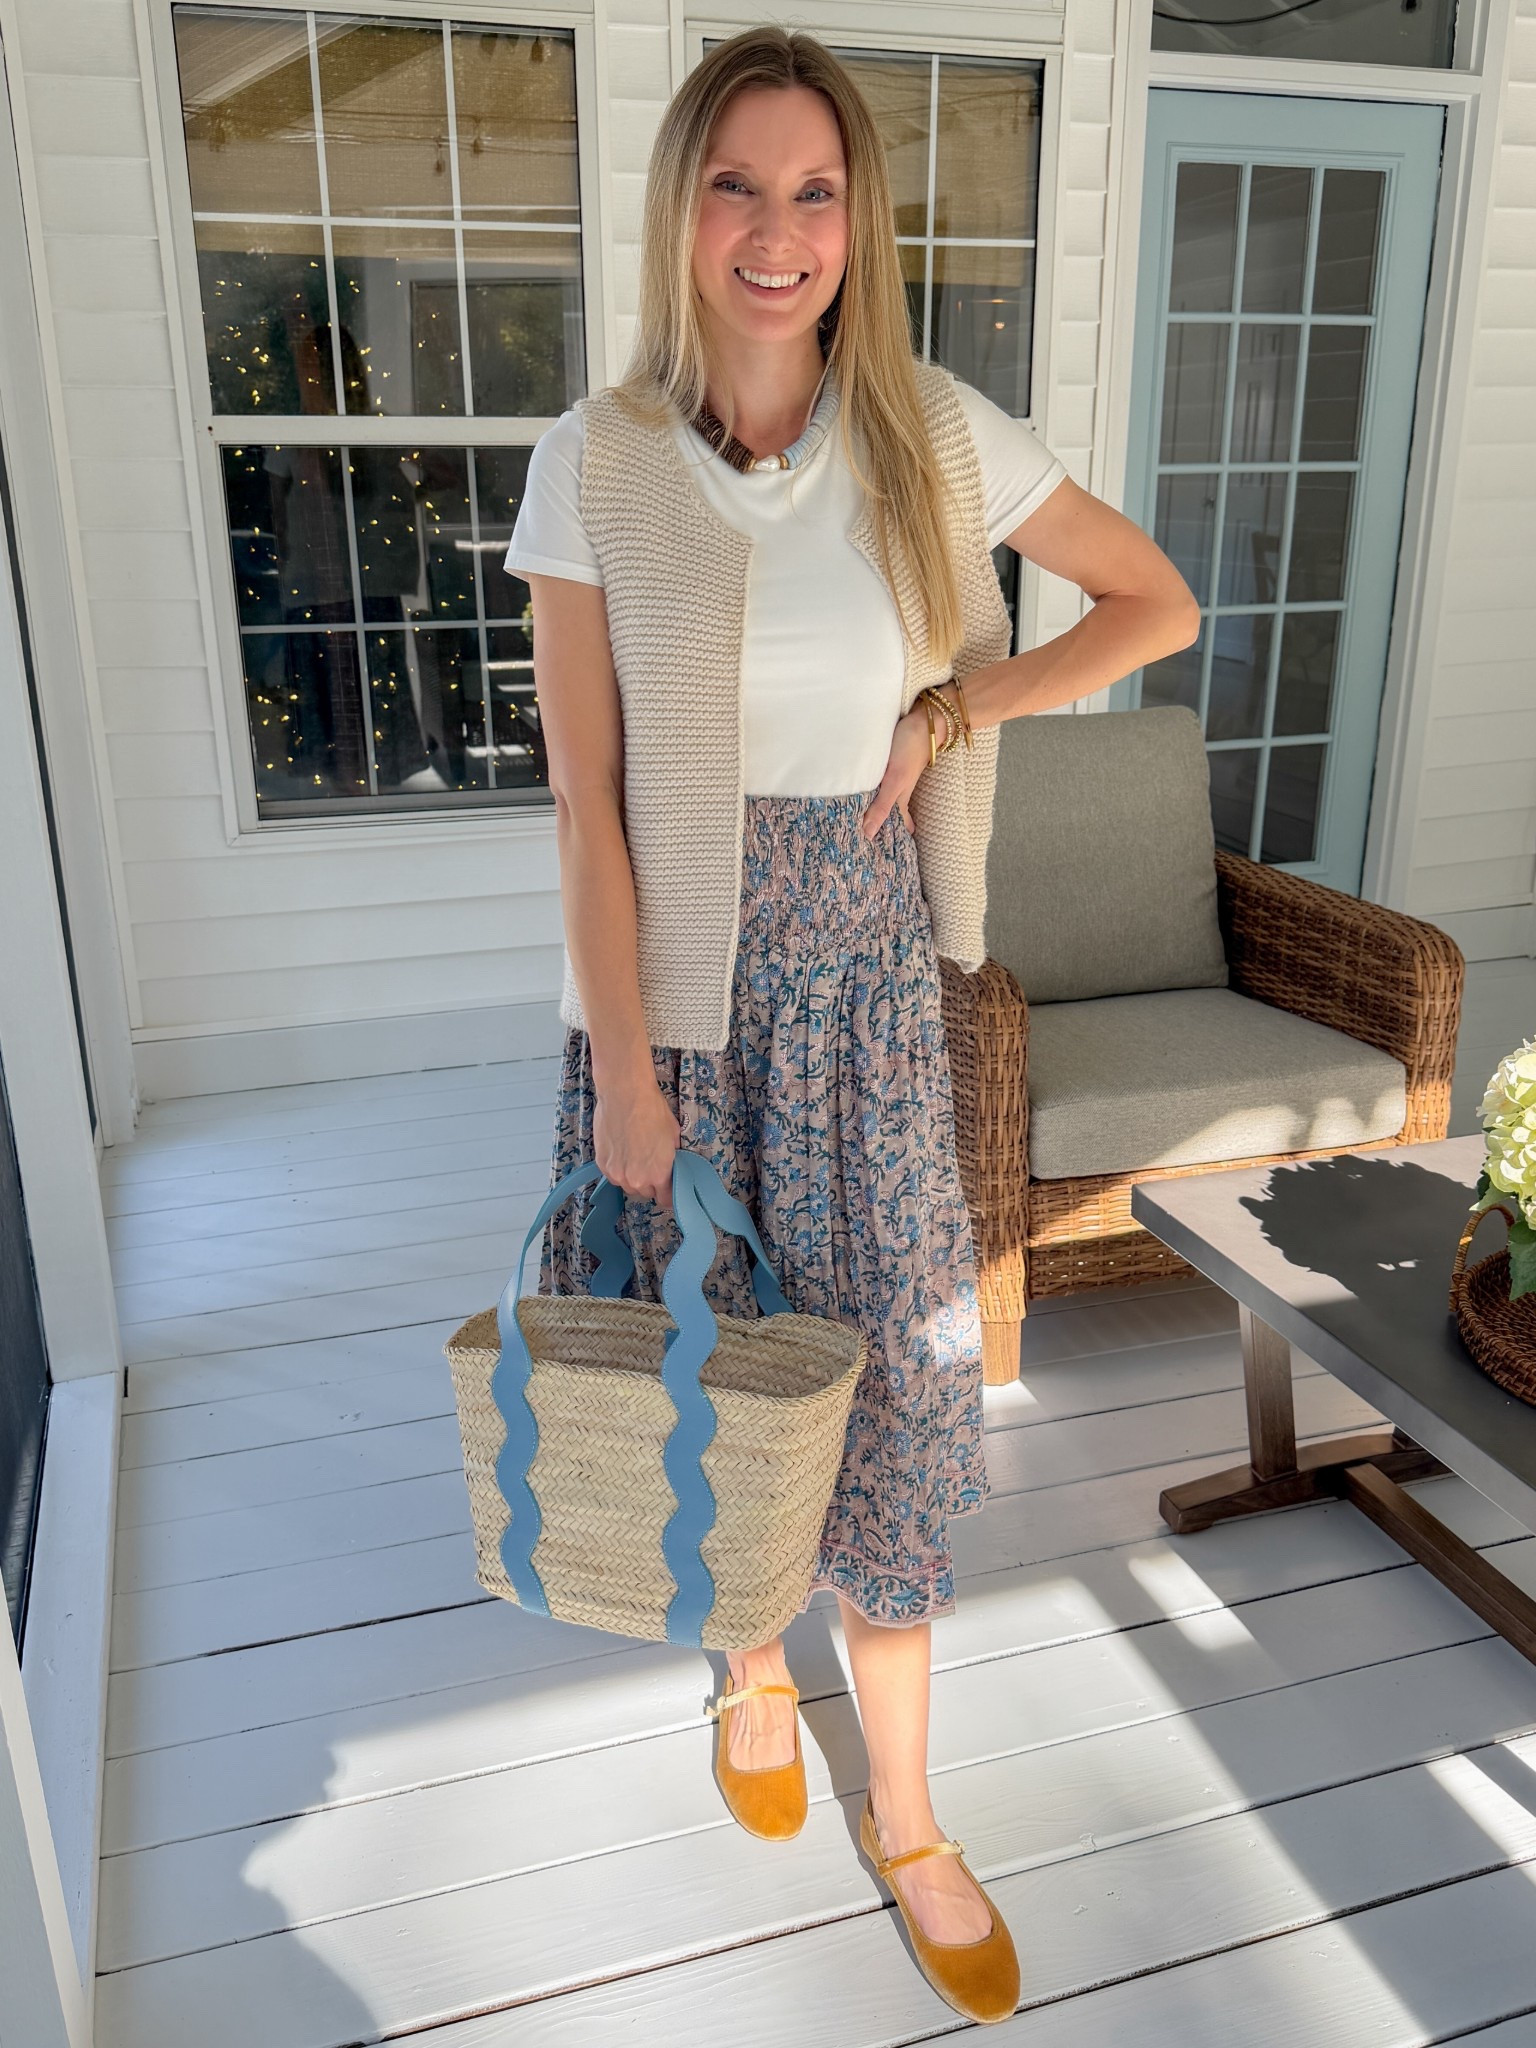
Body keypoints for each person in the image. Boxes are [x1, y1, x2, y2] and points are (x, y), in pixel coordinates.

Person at [503, 26, 1197, 2024]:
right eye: (739, 185)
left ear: (858, 223)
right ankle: (741, 1657)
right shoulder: (595, 461)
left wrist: (962, 701)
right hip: (680, 1016)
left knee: (893, 1387)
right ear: (683, 209)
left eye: (816, 192)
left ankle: (905, 1809)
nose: (776, 230)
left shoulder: (931, 438)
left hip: (869, 1010)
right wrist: (630, 1066)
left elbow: (1148, 603)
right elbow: (585, 799)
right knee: (720, 1368)